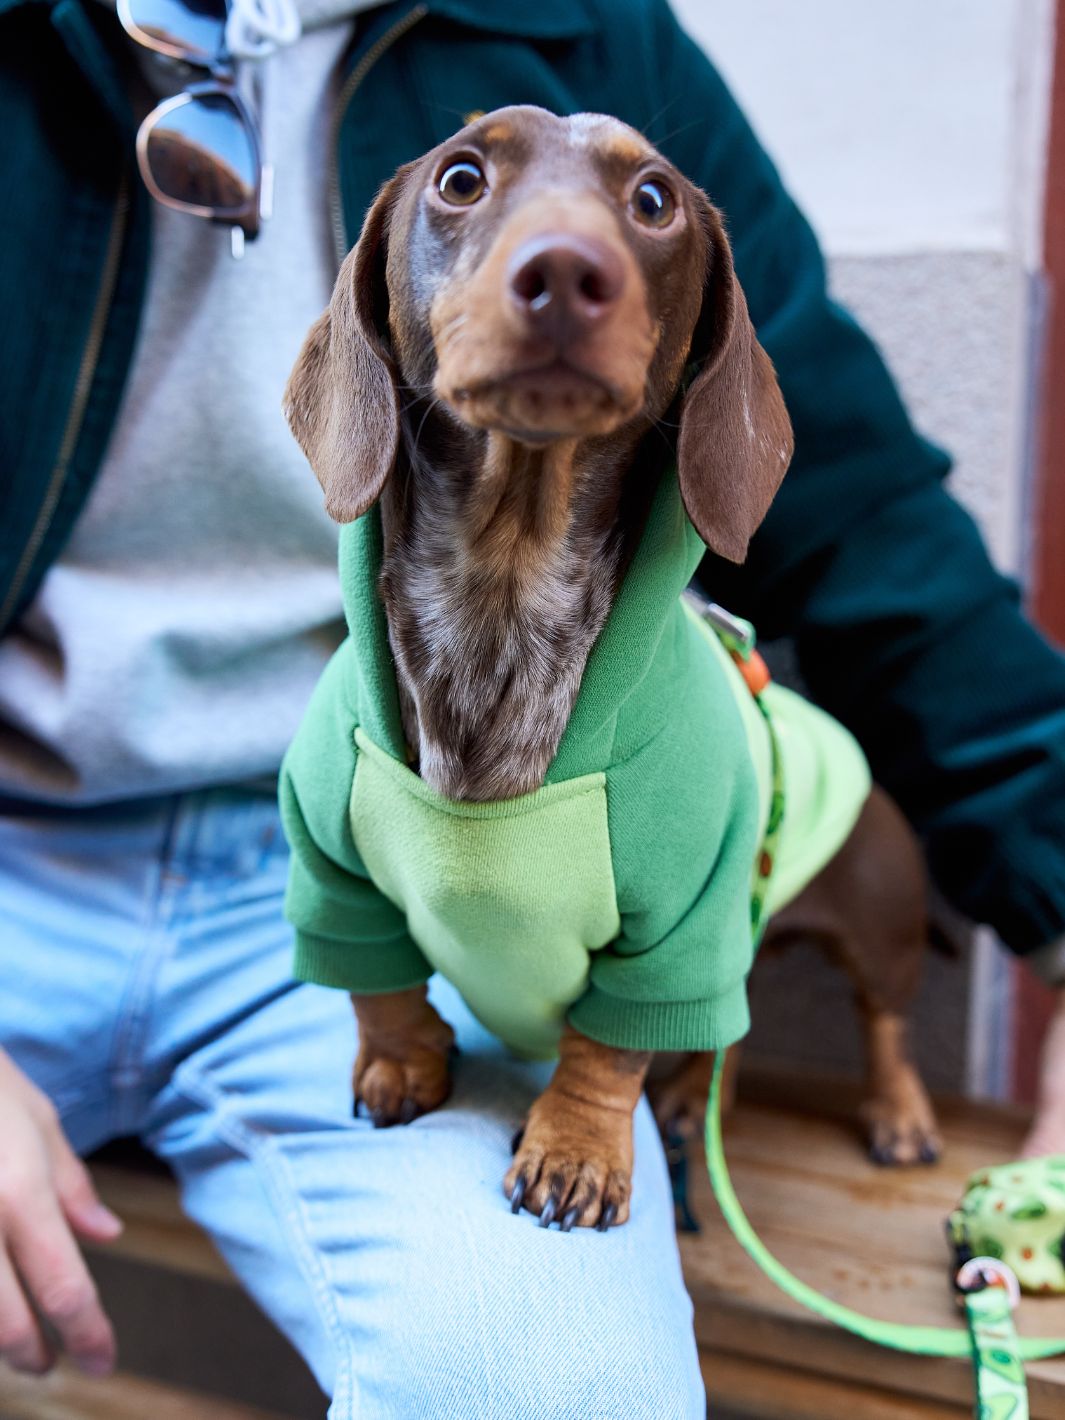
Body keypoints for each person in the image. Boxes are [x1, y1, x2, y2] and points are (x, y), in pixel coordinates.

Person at [1, 0, 1064, 1413]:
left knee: (559, 1389)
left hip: (407, 886)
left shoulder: (581, 30)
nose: (566, 257)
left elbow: (860, 521)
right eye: (467, 186)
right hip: (22, 860)